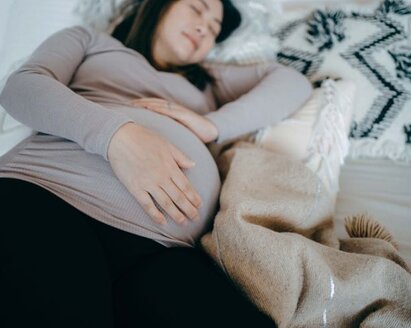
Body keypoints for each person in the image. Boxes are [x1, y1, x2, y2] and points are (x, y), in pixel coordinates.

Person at [0, 0, 312, 327]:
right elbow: (23, 87)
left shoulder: (208, 82)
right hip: (51, 197)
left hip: (163, 250)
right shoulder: (91, 42)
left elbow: (293, 83)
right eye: (197, 7)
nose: (205, 26)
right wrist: (117, 137)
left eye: (215, 28)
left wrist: (214, 125)